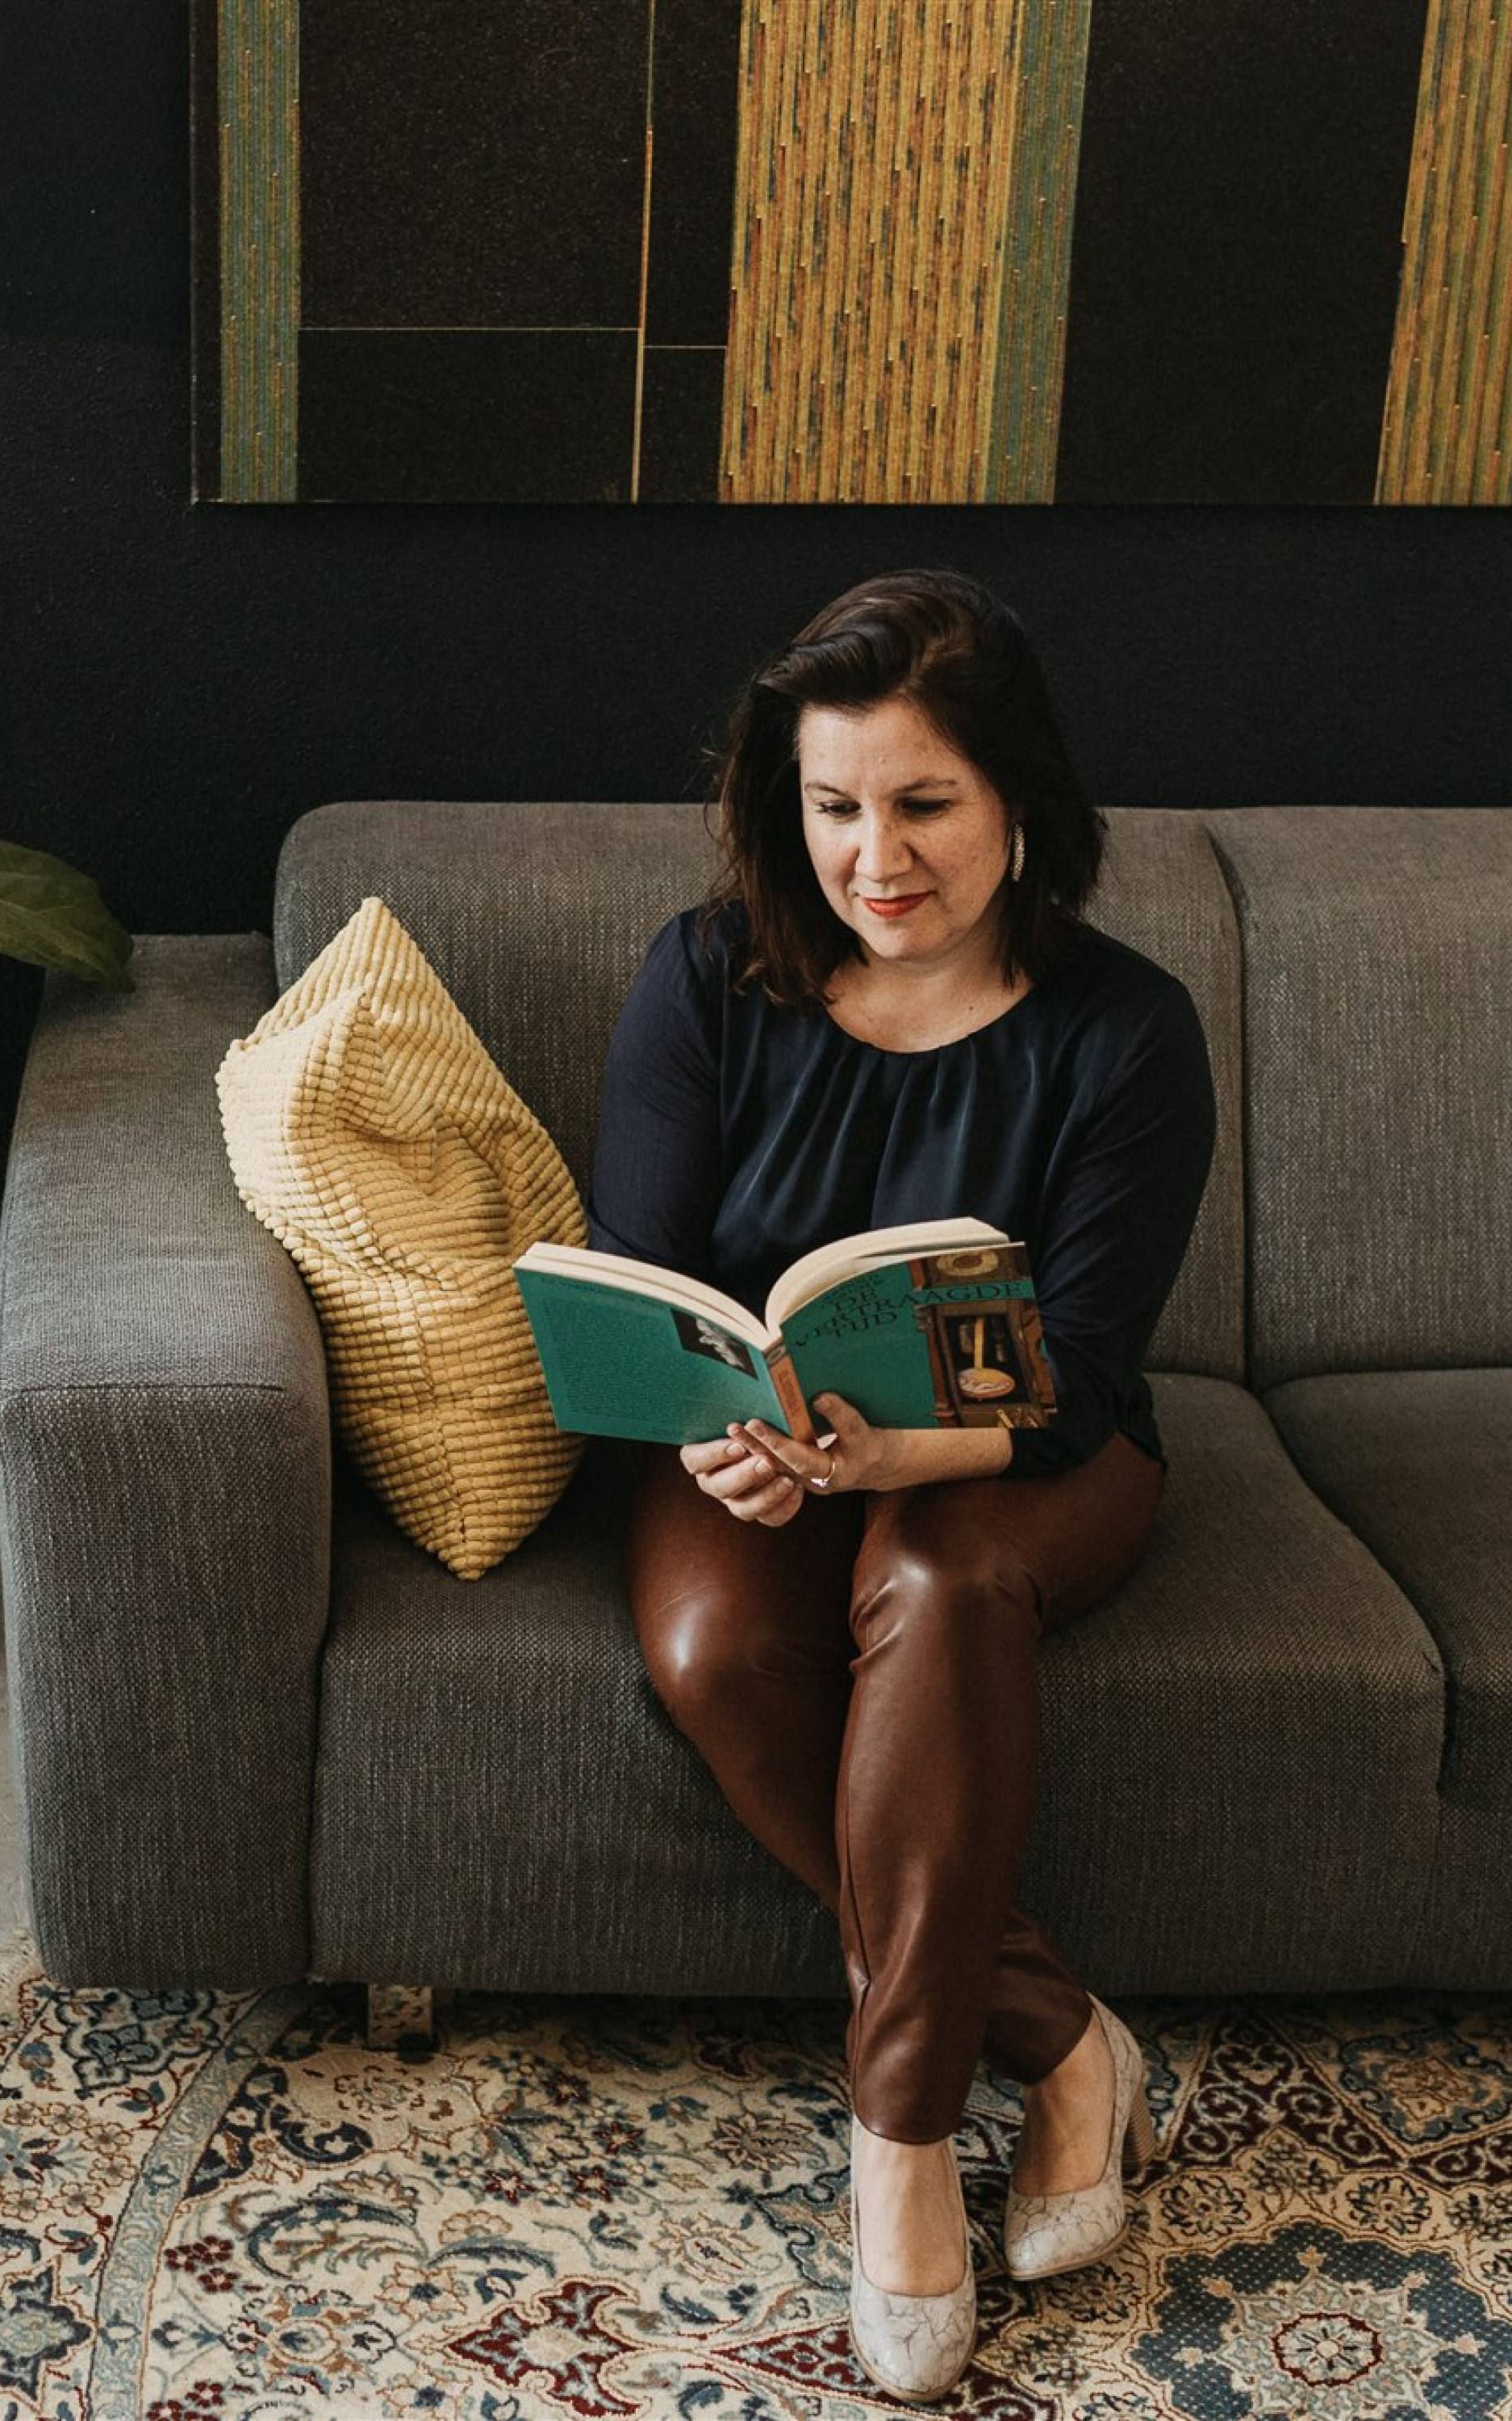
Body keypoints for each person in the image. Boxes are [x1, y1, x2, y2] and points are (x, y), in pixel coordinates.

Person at [588, 568, 1216, 2402]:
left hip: (1023, 1459)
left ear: (1019, 798)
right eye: (835, 804)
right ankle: (1071, 2043)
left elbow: (1077, 1369)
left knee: (933, 1584)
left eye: (926, 802)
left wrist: (894, 1454)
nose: (878, 858)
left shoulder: (1127, 1029)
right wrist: (714, 1424)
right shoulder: (708, 974)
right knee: (713, 1650)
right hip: (766, 1448)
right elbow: (644, 1274)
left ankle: (902, 2145)